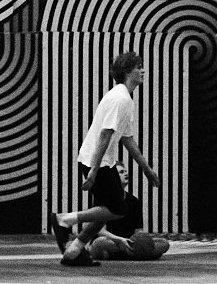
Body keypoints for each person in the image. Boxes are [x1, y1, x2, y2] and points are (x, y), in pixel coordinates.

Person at [53, 50, 162, 267]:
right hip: (96, 159)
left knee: (105, 212)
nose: (142, 70)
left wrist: (147, 169)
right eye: (138, 67)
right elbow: (105, 134)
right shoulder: (119, 98)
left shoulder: (126, 99)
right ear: (127, 71)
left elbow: (128, 140)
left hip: (103, 160)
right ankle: (64, 220)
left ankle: (74, 252)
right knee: (117, 209)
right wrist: (94, 169)